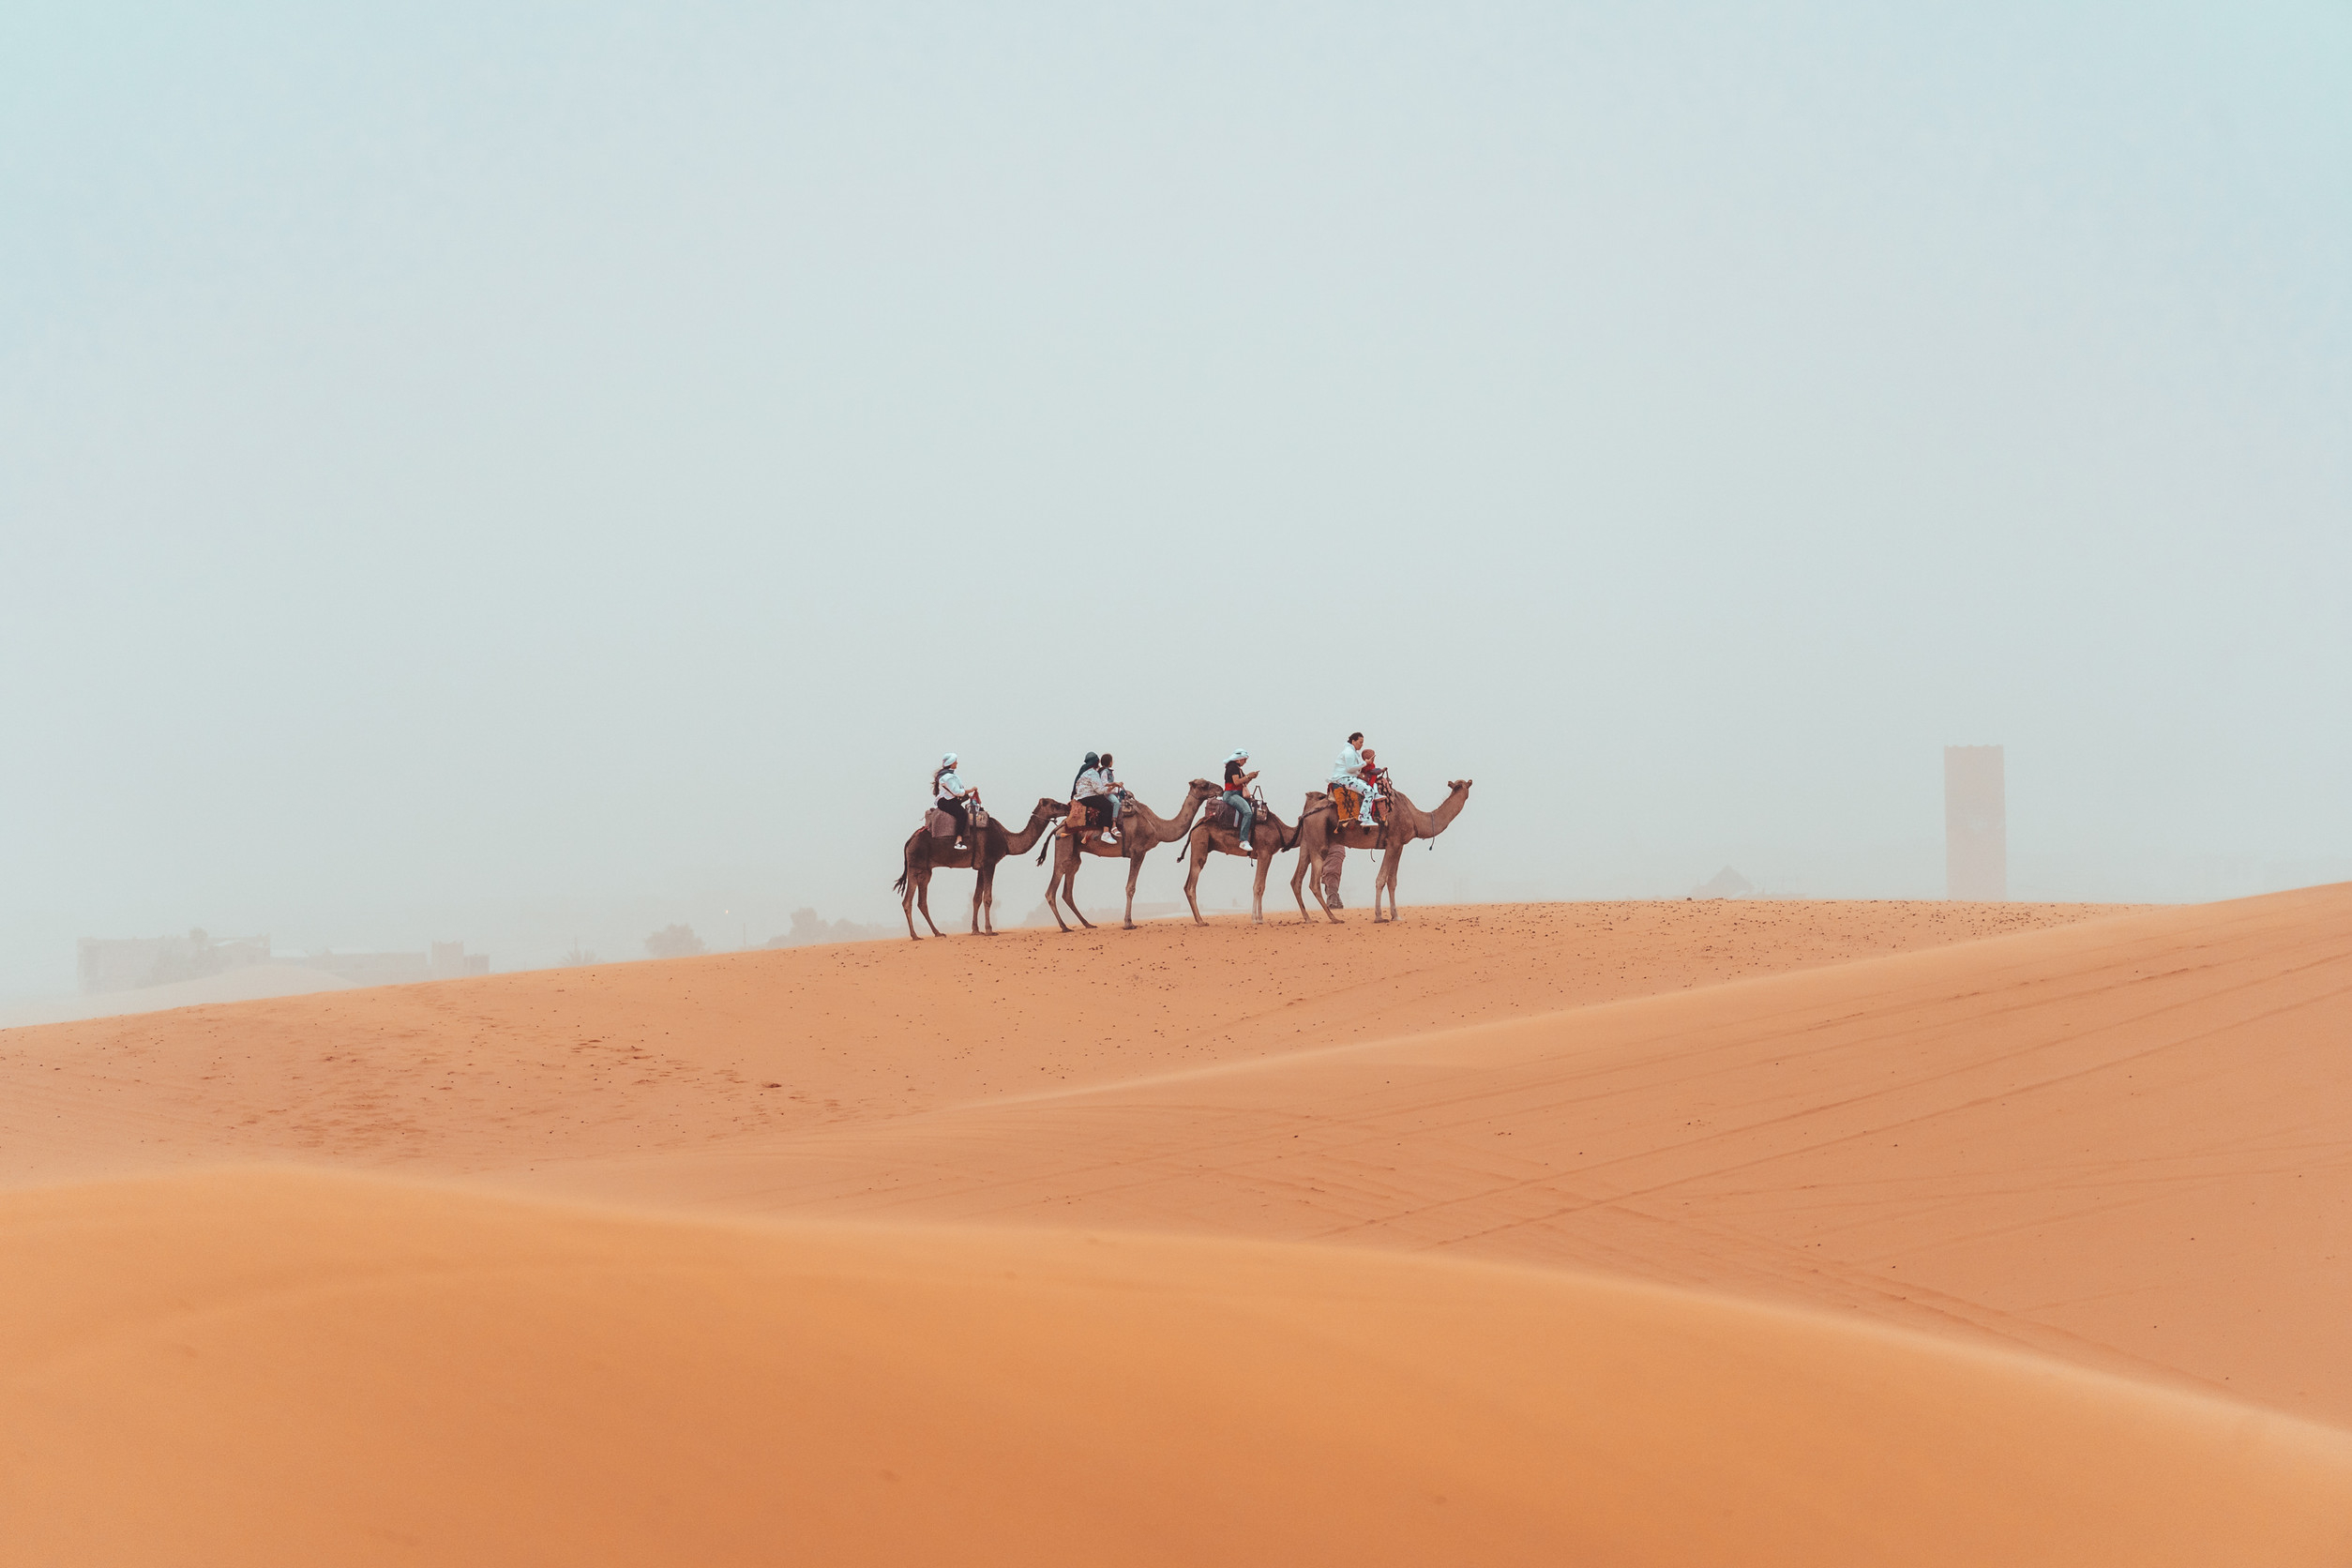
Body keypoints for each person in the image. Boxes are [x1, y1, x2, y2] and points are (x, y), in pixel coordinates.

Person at [1330, 731, 1378, 824]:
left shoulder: (1352, 752)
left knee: (1370, 788)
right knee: (1369, 791)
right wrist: (1365, 763)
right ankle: (1365, 818)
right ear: (1353, 741)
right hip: (1344, 778)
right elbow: (1350, 768)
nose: (1362, 745)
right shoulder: (1349, 752)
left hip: (1346, 777)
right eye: (1360, 742)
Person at [1072, 750, 1120, 843]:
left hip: (1082, 796)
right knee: (1107, 805)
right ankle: (1106, 833)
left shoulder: (1084, 772)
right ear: (1096, 762)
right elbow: (1100, 790)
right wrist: (1113, 786)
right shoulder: (1092, 773)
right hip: (1088, 796)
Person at [933, 752, 979, 846]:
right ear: (951, 763)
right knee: (962, 814)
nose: (957, 763)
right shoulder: (948, 777)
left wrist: (969, 796)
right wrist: (971, 790)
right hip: (946, 801)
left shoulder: (950, 776)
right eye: (955, 762)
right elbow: (957, 792)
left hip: (950, 799)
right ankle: (958, 840)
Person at [1223, 748, 1260, 857]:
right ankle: (1243, 840)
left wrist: (1251, 777)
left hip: (1237, 793)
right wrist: (1248, 776)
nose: (1245, 762)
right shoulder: (1233, 767)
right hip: (1231, 795)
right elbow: (1236, 782)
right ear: (1239, 759)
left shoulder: (1237, 768)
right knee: (1248, 813)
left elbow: (1243, 783)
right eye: (1245, 760)